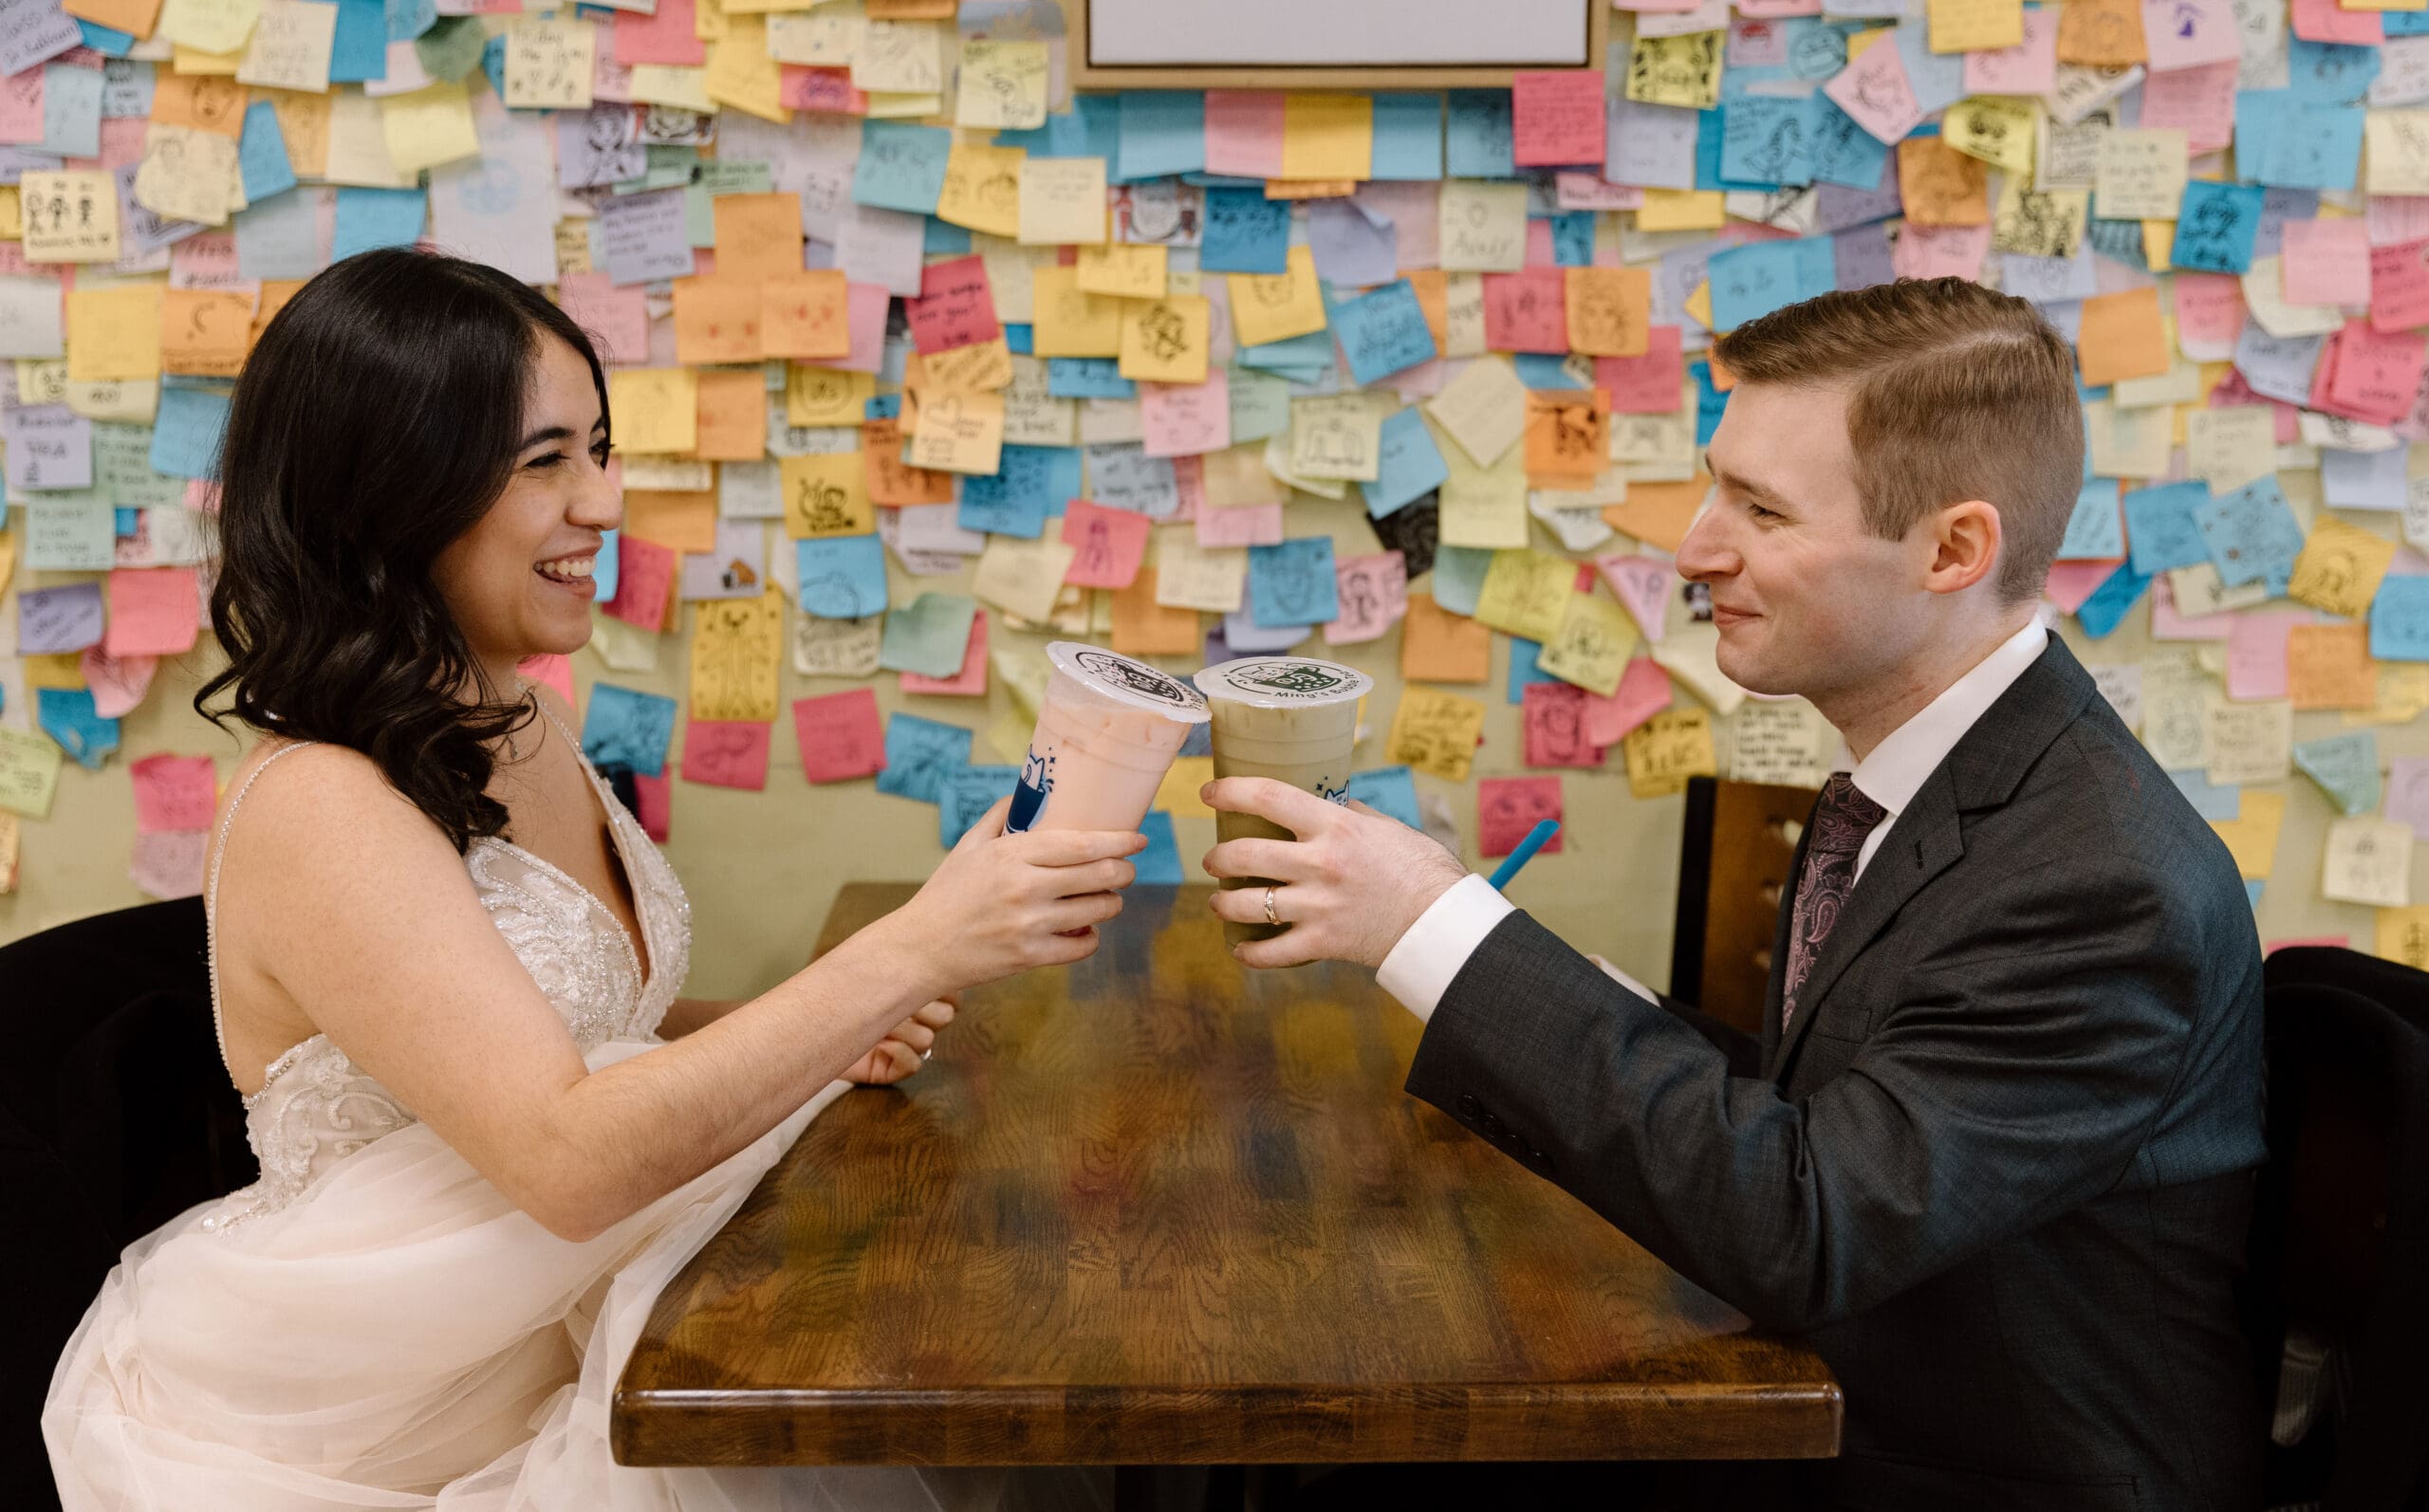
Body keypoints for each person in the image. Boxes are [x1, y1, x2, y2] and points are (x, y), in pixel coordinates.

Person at [45, 249, 1138, 1510]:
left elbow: (582, 1029)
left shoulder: (519, 715)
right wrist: (909, 948)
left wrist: (832, 1028)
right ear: (396, 491)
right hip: (390, 1420)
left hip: (571, 1327)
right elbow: (565, 1158)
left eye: (601, 451)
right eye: (546, 463)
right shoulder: (320, 806)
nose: (607, 503)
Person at [1201, 280, 2268, 1511]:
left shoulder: (2103, 884)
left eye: (1760, 509)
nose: (1695, 549)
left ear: (1952, 550)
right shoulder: (1932, 778)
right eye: (1718, 485)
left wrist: (1435, 923)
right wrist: (1465, 949)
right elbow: (1821, 1116)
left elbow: (1807, 1220)